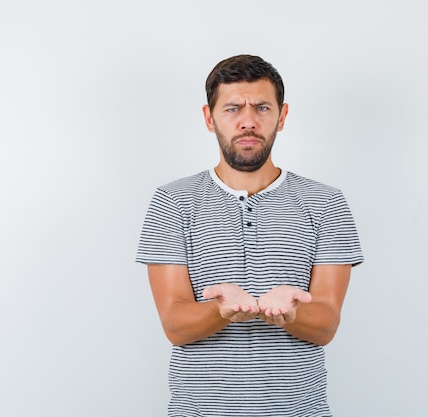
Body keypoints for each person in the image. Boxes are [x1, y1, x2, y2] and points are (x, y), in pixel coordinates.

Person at [136, 54, 364, 417]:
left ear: (282, 115)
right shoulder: (172, 202)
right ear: (209, 119)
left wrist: (291, 315)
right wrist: (220, 309)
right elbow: (174, 325)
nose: (248, 121)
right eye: (232, 109)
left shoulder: (325, 203)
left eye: (261, 107)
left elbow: (326, 325)